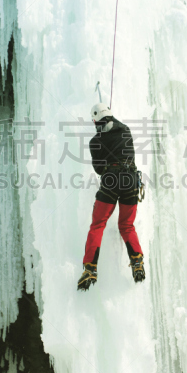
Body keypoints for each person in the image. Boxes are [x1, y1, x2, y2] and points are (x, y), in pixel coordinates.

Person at [77, 103, 145, 291]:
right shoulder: (126, 131)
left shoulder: (95, 141)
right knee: (126, 225)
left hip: (111, 180)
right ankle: (137, 261)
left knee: (98, 223)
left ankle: (90, 268)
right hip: (131, 180)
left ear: (96, 121)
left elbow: (99, 169)